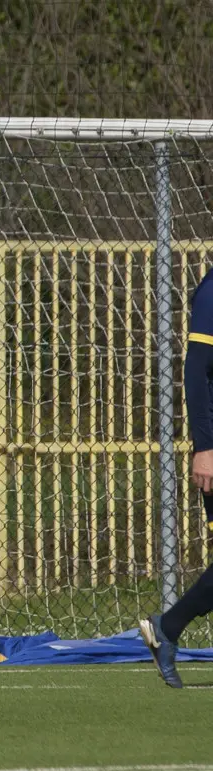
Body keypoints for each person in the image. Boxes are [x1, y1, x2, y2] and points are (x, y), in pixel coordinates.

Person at [140, 268, 213, 689]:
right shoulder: (212, 293)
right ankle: (168, 626)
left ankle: (167, 626)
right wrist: (205, 447)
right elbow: (196, 370)